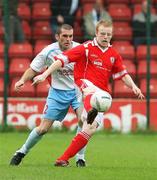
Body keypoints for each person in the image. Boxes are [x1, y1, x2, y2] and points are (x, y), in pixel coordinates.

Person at [32, 20, 145, 167]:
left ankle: (63, 158)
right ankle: (89, 112)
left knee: (89, 128)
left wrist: (134, 87)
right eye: (102, 33)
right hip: (84, 87)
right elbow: (61, 60)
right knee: (92, 94)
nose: (105, 37)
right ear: (96, 33)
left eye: (108, 34)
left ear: (112, 35)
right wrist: (44, 74)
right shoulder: (86, 48)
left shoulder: (113, 54)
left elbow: (123, 74)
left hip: (102, 93)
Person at [9, 24, 87, 167]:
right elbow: (33, 69)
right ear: (57, 36)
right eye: (64, 36)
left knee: (84, 120)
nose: (68, 39)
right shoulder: (48, 51)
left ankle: (80, 158)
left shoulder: (80, 49)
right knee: (43, 128)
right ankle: (21, 152)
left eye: (70, 36)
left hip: (77, 92)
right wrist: (22, 80)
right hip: (57, 93)